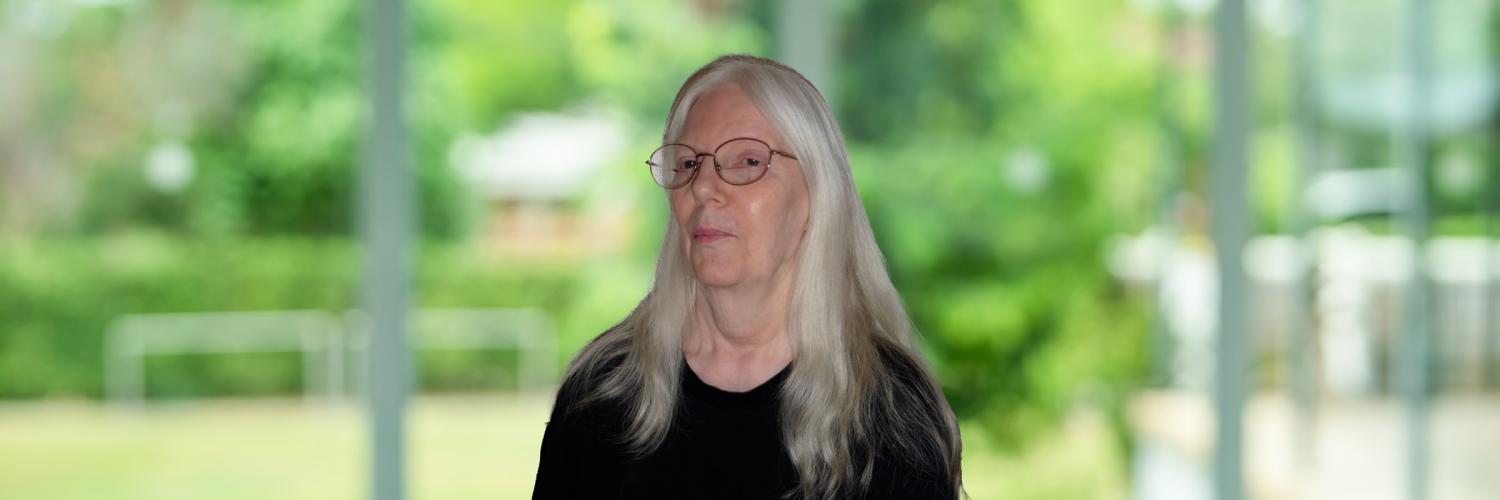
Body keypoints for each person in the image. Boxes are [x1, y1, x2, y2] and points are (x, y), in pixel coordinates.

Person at [531, 54, 962, 500]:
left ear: (818, 193)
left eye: (748, 162)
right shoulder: (605, 392)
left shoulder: (892, 412)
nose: (701, 188)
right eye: (688, 165)